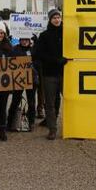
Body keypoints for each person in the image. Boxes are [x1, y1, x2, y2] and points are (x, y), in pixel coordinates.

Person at [33, 9, 67, 140]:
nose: (57, 20)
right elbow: (39, 54)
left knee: (67, 100)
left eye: (58, 17)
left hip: (65, 73)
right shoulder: (44, 35)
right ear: (50, 20)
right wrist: (56, 60)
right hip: (50, 73)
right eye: (54, 18)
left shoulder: (66, 33)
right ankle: (52, 129)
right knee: (50, 102)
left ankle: (73, 127)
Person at [7, 37, 38, 132]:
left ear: (29, 40)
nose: (24, 42)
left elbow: (38, 62)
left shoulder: (34, 50)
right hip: (18, 79)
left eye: (26, 40)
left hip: (31, 79)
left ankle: (31, 122)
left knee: (31, 102)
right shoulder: (14, 49)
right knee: (15, 101)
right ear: (19, 40)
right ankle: (10, 122)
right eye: (23, 40)